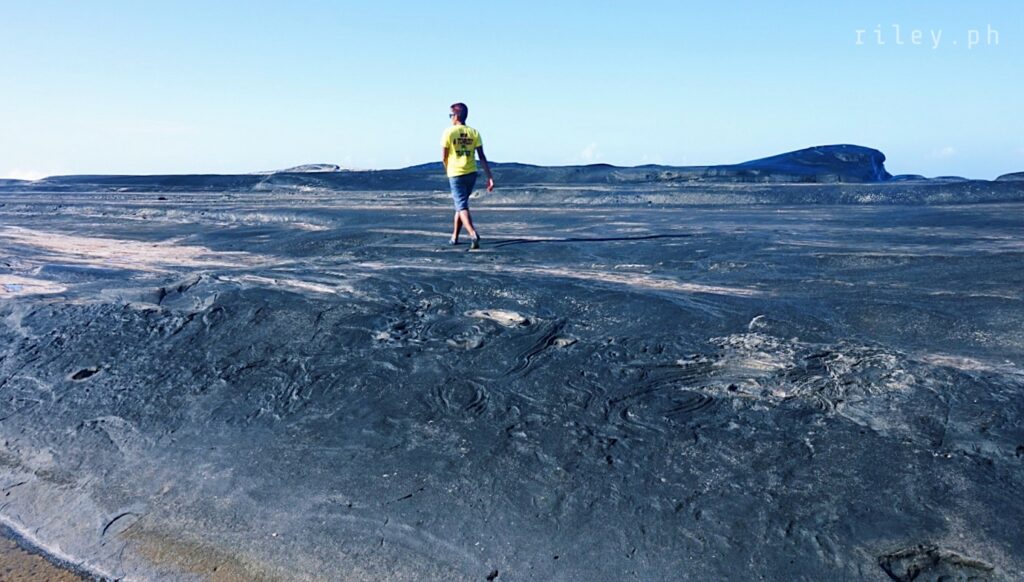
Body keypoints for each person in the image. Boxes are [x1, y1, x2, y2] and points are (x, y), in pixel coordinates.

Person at [441, 102, 494, 249]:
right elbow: (481, 156)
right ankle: (455, 236)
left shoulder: (449, 132)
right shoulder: (474, 132)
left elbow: (444, 156)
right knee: (461, 204)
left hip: (456, 173)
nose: (450, 118)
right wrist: (489, 176)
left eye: (451, 115)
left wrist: (447, 169)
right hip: (471, 172)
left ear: (456, 116)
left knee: (462, 205)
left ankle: (472, 233)